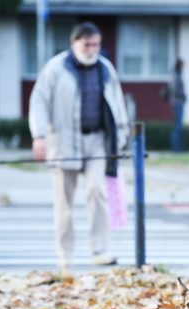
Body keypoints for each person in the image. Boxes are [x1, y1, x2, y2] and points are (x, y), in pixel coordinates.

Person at [29, 22, 129, 271]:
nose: (92, 49)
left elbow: (117, 103)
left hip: (96, 141)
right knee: (63, 200)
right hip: (62, 143)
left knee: (97, 191)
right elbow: (38, 101)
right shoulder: (56, 68)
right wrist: (39, 136)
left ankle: (100, 249)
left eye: (96, 44)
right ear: (74, 43)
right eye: (87, 44)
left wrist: (122, 136)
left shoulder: (105, 69)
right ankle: (65, 255)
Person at [169, 59, 186, 152]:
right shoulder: (176, 75)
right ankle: (177, 148)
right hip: (178, 103)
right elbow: (175, 90)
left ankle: (178, 148)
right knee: (178, 126)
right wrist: (184, 96)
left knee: (178, 126)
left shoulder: (176, 75)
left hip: (177, 103)